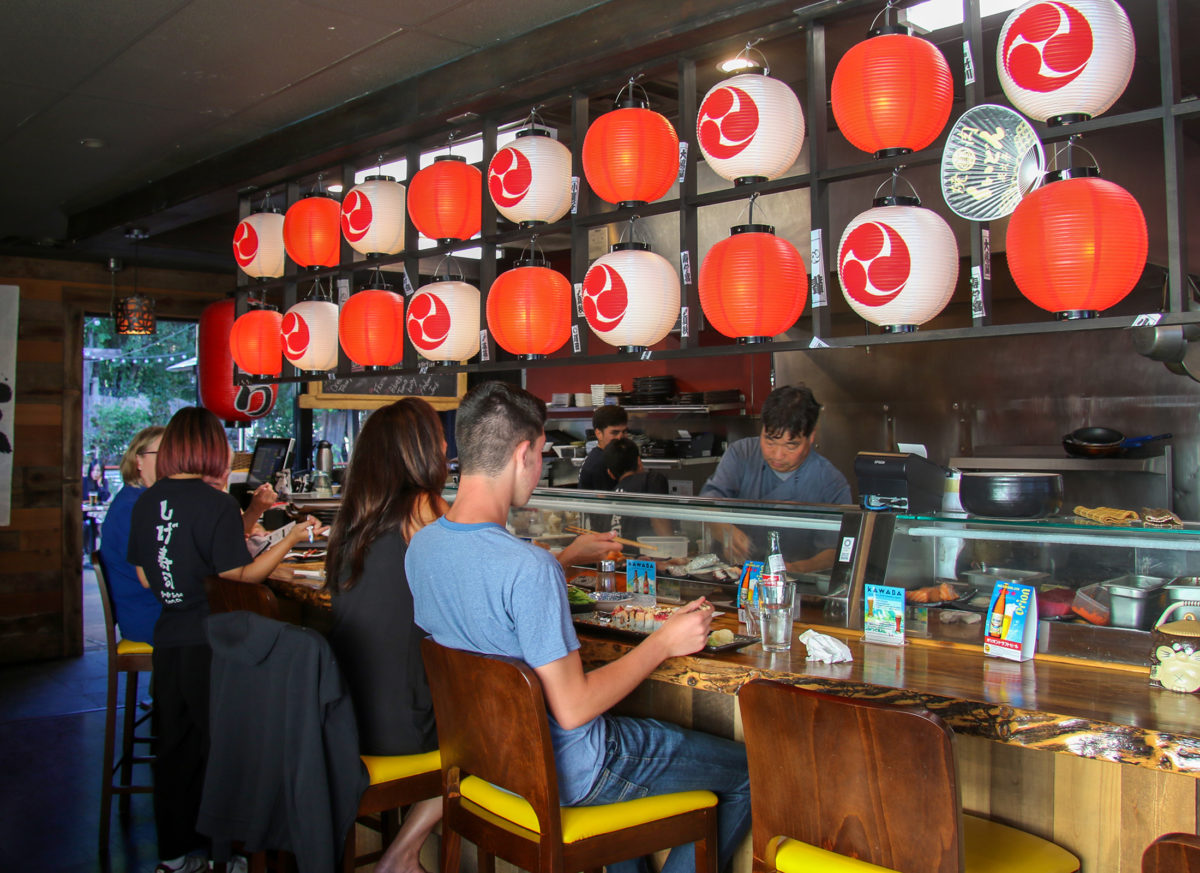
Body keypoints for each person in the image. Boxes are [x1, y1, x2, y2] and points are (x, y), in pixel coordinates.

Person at [406, 382, 750, 873]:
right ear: (524, 452)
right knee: (746, 774)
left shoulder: (423, 548)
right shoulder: (528, 567)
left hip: (489, 764)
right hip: (571, 771)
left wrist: (562, 560)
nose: (540, 467)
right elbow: (573, 710)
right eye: (542, 453)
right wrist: (662, 642)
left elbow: (486, 616)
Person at [127, 407, 322, 873]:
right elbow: (242, 575)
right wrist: (291, 537)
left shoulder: (149, 501)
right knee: (222, 751)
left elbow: (142, 575)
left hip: (168, 639)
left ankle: (174, 855)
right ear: (213, 450)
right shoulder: (214, 504)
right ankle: (225, 856)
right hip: (213, 643)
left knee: (174, 750)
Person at [325, 398, 447, 873]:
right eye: (436, 436)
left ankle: (397, 852)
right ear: (417, 451)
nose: (443, 444)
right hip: (402, 727)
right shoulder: (425, 507)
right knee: (492, 732)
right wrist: (564, 558)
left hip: (345, 717)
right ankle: (402, 853)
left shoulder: (351, 521)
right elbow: (489, 573)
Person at [701, 384, 851, 574]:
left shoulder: (831, 482)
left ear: (811, 436)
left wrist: (793, 570)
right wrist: (726, 532)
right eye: (770, 441)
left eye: (791, 446)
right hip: (733, 577)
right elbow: (707, 504)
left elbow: (835, 551)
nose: (777, 456)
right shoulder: (741, 454)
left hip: (797, 587)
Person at [99, 426, 165, 644]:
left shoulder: (140, 499)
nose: (169, 461)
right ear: (138, 461)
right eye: (160, 454)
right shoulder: (134, 508)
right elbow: (154, 576)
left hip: (151, 607)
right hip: (149, 615)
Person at [603, 437, 673, 541]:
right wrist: (673, 551)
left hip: (617, 555)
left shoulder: (608, 497)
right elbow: (660, 523)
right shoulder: (652, 479)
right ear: (639, 462)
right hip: (648, 555)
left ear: (610, 474)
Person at [577, 404, 628, 490]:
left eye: (624, 432)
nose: (620, 438)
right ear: (598, 433)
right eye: (614, 433)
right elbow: (605, 500)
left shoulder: (598, 454)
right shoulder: (601, 463)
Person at [83, 458, 112, 555]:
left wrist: (100, 486)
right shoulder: (84, 481)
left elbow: (105, 498)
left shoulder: (103, 482)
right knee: (88, 525)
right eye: (93, 470)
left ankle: (96, 553)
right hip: (84, 513)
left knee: (101, 525)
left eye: (98, 470)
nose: (95, 473)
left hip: (96, 514)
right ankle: (89, 553)